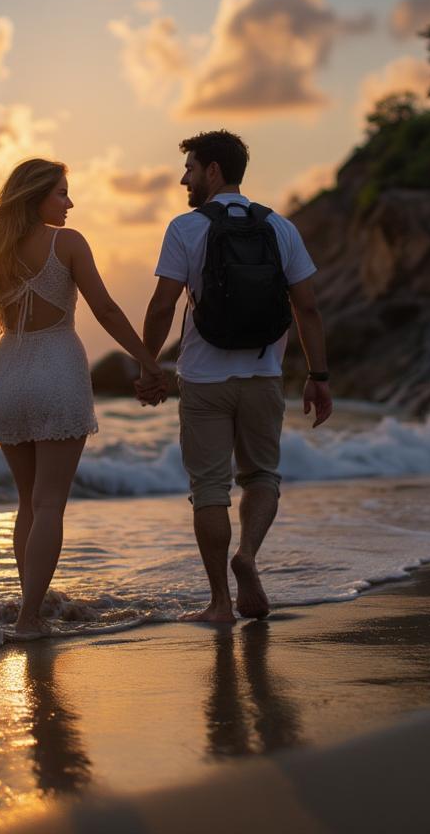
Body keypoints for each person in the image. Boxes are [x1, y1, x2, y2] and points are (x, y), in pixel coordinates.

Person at [0, 158, 164, 638]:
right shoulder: (67, 243)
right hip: (57, 371)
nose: (70, 203)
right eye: (61, 193)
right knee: (50, 504)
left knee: (27, 505)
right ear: (36, 197)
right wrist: (147, 360)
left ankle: (27, 605)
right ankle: (30, 618)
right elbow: (107, 309)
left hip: (8, 375)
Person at [138, 130, 332, 623]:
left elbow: (163, 305)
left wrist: (149, 364)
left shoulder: (185, 229)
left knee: (209, 489)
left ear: (213, 172)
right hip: (264, 374)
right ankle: (247, 555)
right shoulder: (281, 228)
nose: (184, 177)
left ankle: (220, 603)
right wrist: (318, 376)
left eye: (190, 168)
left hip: (204, 379)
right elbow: (306, 308)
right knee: (262, 475)